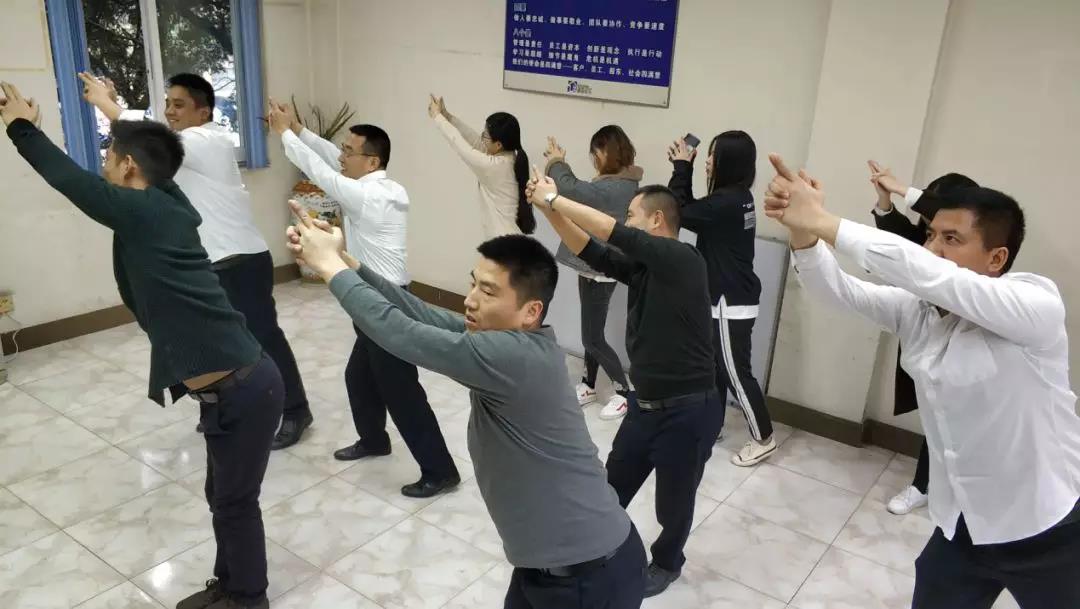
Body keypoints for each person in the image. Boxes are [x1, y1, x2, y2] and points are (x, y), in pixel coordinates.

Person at [1, 81, 282, 609]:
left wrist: (20, 127)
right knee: (221, 497)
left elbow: (69, 180)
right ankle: (230, 584)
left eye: (109, 157)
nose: (103, 166)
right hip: (233, 390)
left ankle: (249, 598)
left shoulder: (144, 211)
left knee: (235, 503)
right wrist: (115, 118)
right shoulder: (166, 200)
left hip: (244, 390)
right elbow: (149, 155)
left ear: (129, 166)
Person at [286, 205, 646, 609]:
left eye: (488, 292)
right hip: (547, 568)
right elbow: (420, 314)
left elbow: (398, 332)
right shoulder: (511, 341)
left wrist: (329, 267)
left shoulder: (510, 357)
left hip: (588, 581)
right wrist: (347, 261)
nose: (470, 300)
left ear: (531, 311)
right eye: (473, 284)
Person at [763, 154, 1080, 609]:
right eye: (930, 235)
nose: (932, 249)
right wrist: (803, 232)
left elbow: (929, 273)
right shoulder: (917, 310)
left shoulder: (1034, 305)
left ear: (997, 257)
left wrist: (824, 220)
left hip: (1048, 525)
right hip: (962, 524)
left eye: (951, 239)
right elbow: (837, 291)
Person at [77, 72, 313, 450]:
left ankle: (296, 410)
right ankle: (218, 411)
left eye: (179, 105)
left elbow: (149, 136)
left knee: (263, 338)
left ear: (203, 112)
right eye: (167, 104)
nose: (170, 111)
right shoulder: (174, 152)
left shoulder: (209, 140)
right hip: (205, 265)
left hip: (239, 260)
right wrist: (115, 109)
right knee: (210, 346)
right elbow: (142, 144)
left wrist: (106, 104)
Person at [527, 174, 722, 597]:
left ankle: (667, 563)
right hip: (644, 406)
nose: (626, 221)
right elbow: (590, 249)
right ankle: (592, 548)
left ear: (657, 220)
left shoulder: (683, 258)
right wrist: (547, 209)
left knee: (673, 503)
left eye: (632, 215)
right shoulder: (646, 268)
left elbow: (608, 231)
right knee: (609, 488)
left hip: (688, 411)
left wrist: (555, 197)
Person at [266, 101, 459, 498]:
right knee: (359, 377)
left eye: (349, 151)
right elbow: (328, 157)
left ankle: (440, 471)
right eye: (344, 149)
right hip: (372, 299)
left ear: (371, 162)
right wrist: (299, 130)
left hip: (386, 305)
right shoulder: (381, 187)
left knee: (402, 392)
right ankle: (374, 440)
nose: (342, 156)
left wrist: (284, 133)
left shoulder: (368, 196)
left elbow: (321, 171)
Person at [866, 160, 979, 515]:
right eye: (931, 230)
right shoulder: (927, 242)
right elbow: (900, 237)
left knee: (954, 420)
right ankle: (925, 485)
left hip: (965, 344)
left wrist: (902, 189)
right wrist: (885, 200)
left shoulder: (975, 249)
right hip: (927, 338)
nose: (934, 240)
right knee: (935, 416)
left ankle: (936, 486)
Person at [668, 132, 776, 466]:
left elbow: (677, 212)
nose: (708, 161)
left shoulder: (726, 202)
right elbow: (693, 212)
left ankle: (764, 437)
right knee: (715, 369)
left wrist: (682, 168)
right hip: (726, 296)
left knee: (734, 372)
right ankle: (712, 426)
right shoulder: (736, 197)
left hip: (730, 301)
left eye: (713, 155)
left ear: (729, 162)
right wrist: (685, 167)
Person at [543, 126, 642, 420]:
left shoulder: (616, 188)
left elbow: (571, 189)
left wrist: (556, 160)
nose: (594, 159)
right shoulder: (619, 183)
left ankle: (624, 391)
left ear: (607, 153)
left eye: (596, 153)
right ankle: (588, 384)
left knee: (591, 338)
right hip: (592, 267)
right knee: (592, 332)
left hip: (600, 271)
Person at [428, 94, 536, 237]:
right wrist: (447, 116)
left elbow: (460, 145)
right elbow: (475, 141)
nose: (482, 138)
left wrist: (437, 117)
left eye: (485, 135)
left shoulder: (494, 166)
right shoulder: (510, 158)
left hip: (503, 244)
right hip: (509, 241)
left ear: (498, 144)